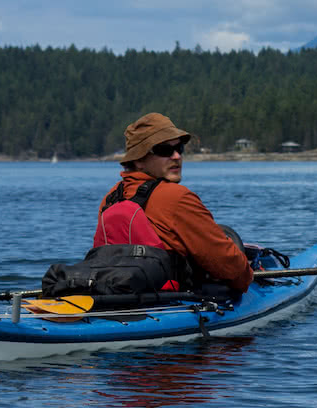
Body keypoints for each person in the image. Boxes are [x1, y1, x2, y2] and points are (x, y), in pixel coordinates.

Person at [93, 113, 253, 295]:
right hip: (168, 301)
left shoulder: (111, 198)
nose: (176, 156)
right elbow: (228, 265)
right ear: (138, 159)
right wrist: (247, 277)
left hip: (115, 294)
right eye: (164, 150)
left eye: (179, 148)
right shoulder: (177, 198)